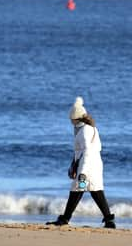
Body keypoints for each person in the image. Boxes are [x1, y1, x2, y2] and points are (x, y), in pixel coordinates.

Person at [46, 97, 116, 228]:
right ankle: (109, 220)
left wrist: (82, 171)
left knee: (78, 189)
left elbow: (87, 151)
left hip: (87, 166)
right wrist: (73, 165)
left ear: (75, 119)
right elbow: (79, 152)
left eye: (71, 119)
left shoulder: (85, 131)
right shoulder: (88, 128)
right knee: (95, 191)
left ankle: (65, 219)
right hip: (93, 165)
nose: (70, 121)